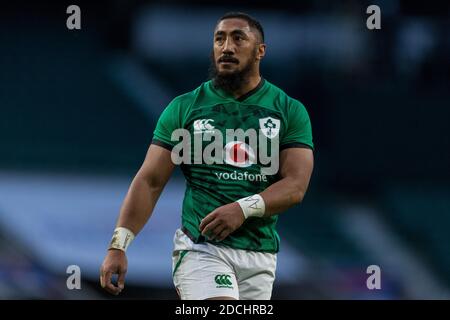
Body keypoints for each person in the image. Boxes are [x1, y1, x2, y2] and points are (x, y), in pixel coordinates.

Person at [100, 12, 314, 300]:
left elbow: (296, 186)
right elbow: (150, 180)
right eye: (219, 39)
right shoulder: (184, 108)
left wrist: (241, 209)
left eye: (238, 38)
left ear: (260, 51)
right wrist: (119, 244)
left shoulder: (289, 110)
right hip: (201, 248)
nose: (226, 47)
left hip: (260, 255)